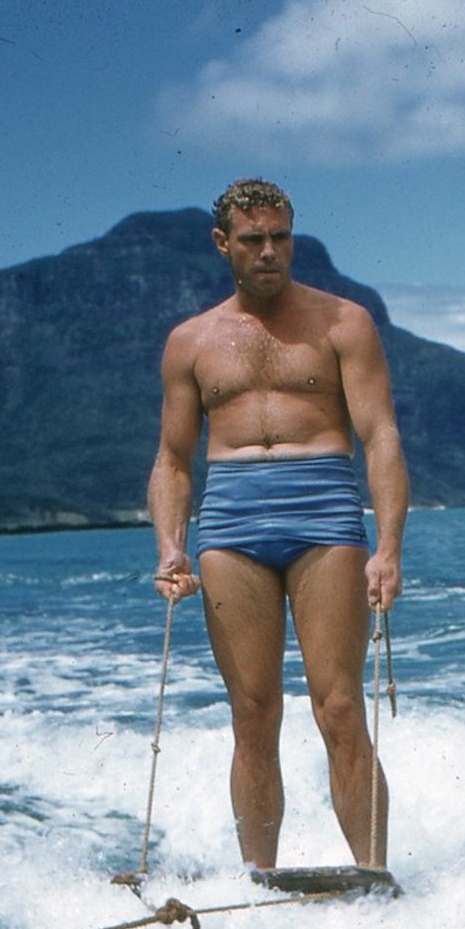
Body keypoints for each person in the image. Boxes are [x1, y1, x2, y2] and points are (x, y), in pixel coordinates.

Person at [147, 178, 408, 871]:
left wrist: (387, 546)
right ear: (223, 243)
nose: (270, 251)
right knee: (253, 716)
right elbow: (173, 460)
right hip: (231, 523)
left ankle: (375, 876)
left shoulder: (344, 323)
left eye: (281, 237)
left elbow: (380, 435)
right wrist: (171, 546)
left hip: (324, 512)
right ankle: (259, 880)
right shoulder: (190, 342)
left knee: (341, 707)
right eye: (255, 239)